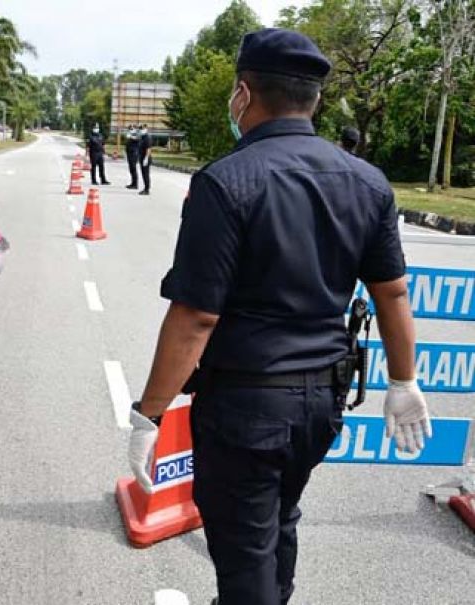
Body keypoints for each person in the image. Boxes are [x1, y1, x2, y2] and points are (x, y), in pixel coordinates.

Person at [128, 28, 431, 605]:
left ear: (243, 94)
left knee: (244, 553)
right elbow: (392, 293)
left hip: (245, 406)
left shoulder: (225, 182)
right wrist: (403, 380)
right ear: (313, 99)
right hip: (322, 404)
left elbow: (195, 318)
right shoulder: (367, 182)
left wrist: (148, 415)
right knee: (276, 519)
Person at [138, 124, 152, 195]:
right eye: (140, 129)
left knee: (146, 174)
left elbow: (148, 149)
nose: (141, 130)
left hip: (146, 158)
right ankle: (145, 188)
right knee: (143, 174)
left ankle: (147, 189)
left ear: (146, 129)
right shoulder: (142, 137)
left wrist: (146, 158)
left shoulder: (147, 137)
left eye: (142, 129)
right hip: (142, 158)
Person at [125, 125, 140, 189]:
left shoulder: (137, 135)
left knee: (133, 169)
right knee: (131, 169)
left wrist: (131, 136)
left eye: (131, 129)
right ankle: (132, 183)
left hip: (134, 154)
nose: (130, 130)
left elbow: (137, 139)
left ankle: (135, 184)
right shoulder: (130, 136)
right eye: (129, 129)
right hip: (130, 154)